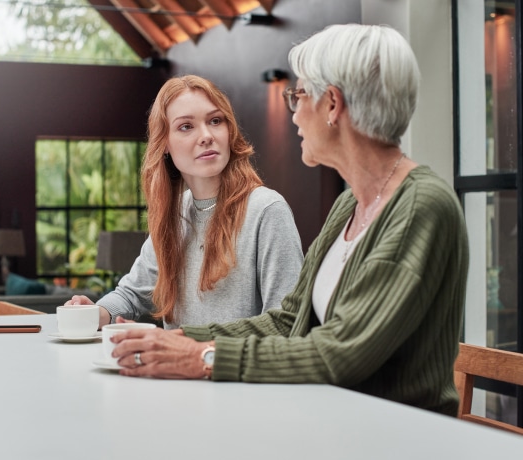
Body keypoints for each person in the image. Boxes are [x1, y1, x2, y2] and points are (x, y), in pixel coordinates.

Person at [107, 24, 469, 417]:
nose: (293, 112)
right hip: (335, 420)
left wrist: (203, 357)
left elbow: (340, 352)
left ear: (332, 105)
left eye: (298, 95)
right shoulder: (350, 205)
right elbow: (288, 320)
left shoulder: (420, 208)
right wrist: (181, 340)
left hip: (391, 436)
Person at [67, 75, 304, 329]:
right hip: (170, 369)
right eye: (186, 126)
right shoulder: (175, 213)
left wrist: (196, 351)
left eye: (215, 121)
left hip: (231, 368)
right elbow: (132, 293)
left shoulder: (266, 210)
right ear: (164, 143)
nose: (206, 136)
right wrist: (96, 312)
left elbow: (285, 324)